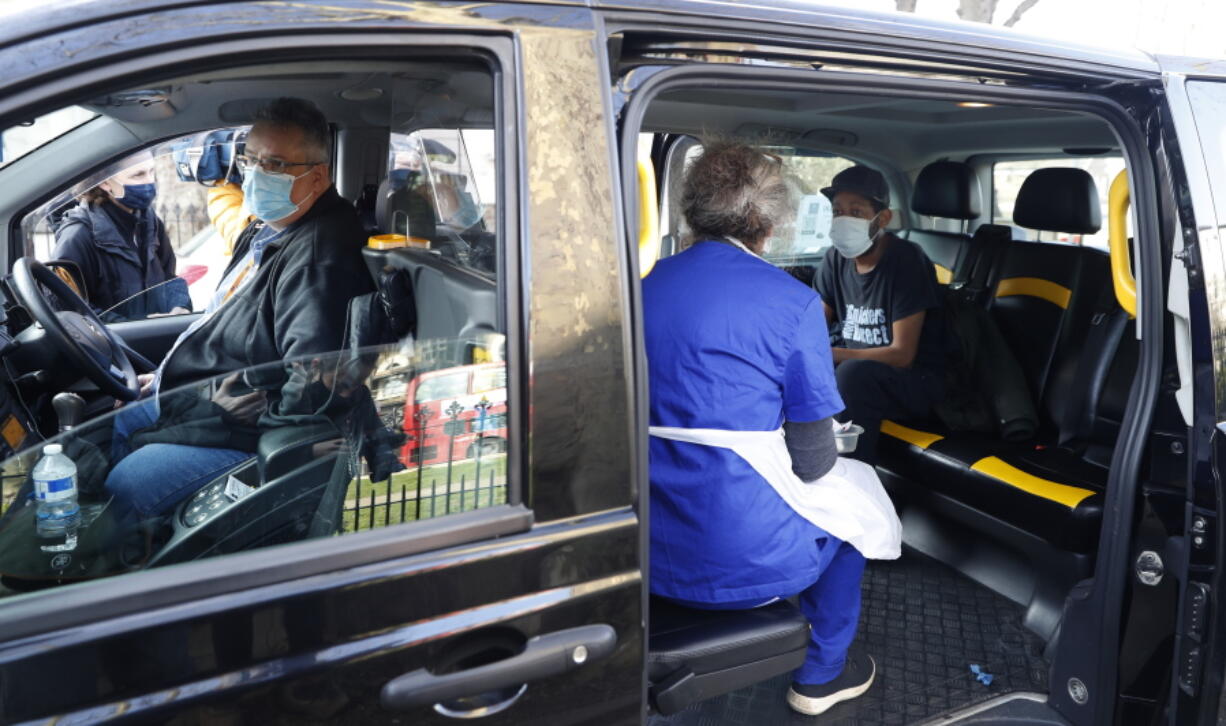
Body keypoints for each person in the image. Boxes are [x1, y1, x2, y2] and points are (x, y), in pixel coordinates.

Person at [643, 141, 901, 717]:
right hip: (740, 559)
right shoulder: (793, 302)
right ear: (774, 218)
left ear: (691, 207)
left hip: (643, 545)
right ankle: (820, 677)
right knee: (858, 511)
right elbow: (812, 460)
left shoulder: (642, 285)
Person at [103, 97, 374, 524]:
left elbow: (313, 376)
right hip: (211, 395)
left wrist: (229, 413)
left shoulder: (319, 256)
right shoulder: (270, 229)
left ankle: (137, 566)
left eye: (276, 165)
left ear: (318, 177)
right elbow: (224, 315)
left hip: (246, 426)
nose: (256, 174)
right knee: (118, 425)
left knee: (127, 486)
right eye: (250, 161)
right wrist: (168, 379)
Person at [815, 165, 946, 465]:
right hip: (857, 376)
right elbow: (815, 328)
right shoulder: (834, 259)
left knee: (849, 374)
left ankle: (852, 480)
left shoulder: (907, 261)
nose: (844, 220)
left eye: (856, 212)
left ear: (882, 218)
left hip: (912, 380)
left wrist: (829, 354)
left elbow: (903, 355)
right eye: (838, 212)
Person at [53, 153, 191, 321]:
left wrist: (180, 307)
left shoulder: (151, 222)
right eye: (138, 175)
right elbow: (70, 310)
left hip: (159, 338)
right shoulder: (78, 237)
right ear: (105, 182)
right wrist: (135, 326)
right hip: (116, 343)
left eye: (152, 171)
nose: (149, 181)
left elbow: (169, 278)